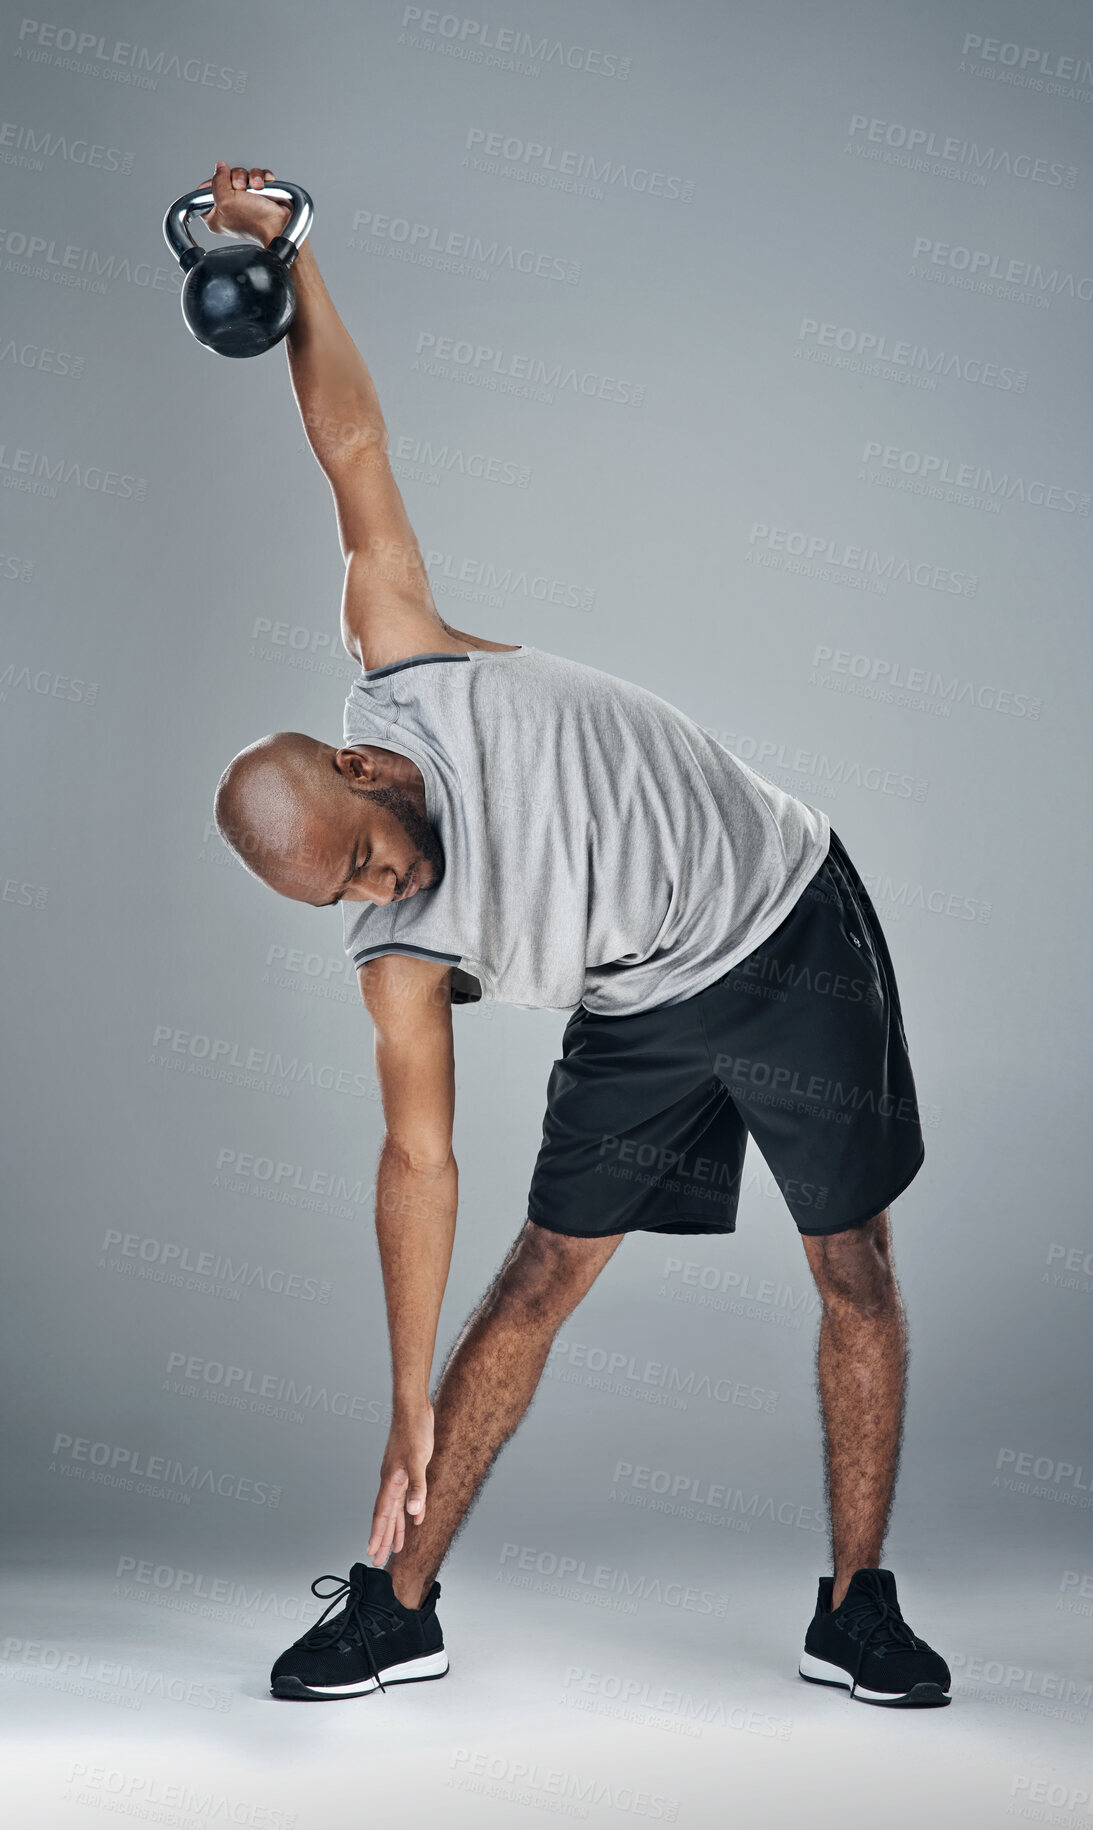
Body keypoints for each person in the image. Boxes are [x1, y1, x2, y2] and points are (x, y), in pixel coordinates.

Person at [204, 163, 951, 1710]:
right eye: (335, 900)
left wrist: (296, 258)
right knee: (536, 1271)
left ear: (359, 768)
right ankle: (397, 1604)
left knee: (853, 1266)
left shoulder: (404, 659)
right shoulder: (395, 955)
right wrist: (402, 1399)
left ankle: (854, 1605)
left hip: (782, 917)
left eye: (359, 860)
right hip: (644, 1002)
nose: (371, 895)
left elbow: (350, 442)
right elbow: (420, 1162)